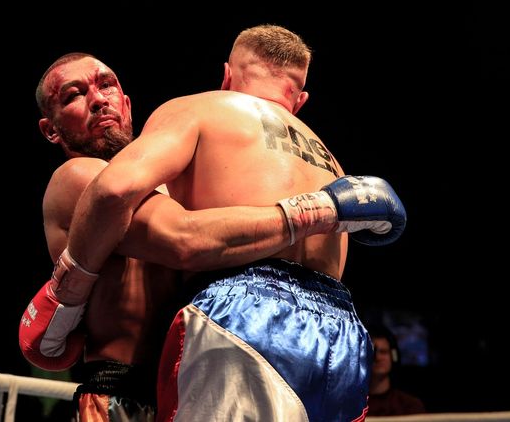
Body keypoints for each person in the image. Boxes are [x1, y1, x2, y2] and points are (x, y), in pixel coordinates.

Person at [64, 25, 406, 422]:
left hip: (244, 312)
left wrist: (64, 287)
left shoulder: (203, 108)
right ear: (300, 99)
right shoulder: (331, 162)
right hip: (342, 334)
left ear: (227, 75)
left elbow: (111, 189)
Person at [18, 52, 352, 421]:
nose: (98, 99)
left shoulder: (175, 181)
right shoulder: (80, 179)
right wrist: (321, 210)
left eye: (106, 84)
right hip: (123, 394)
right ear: (50, 129)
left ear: (126, 103)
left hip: (195, 377)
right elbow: (186, 241)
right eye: (73, 95)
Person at [367, 325, 426, 416]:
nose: (378, 358)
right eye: (372, 352)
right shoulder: (350, 406)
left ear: (394, 357)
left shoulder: (410, 406)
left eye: (383, 352)